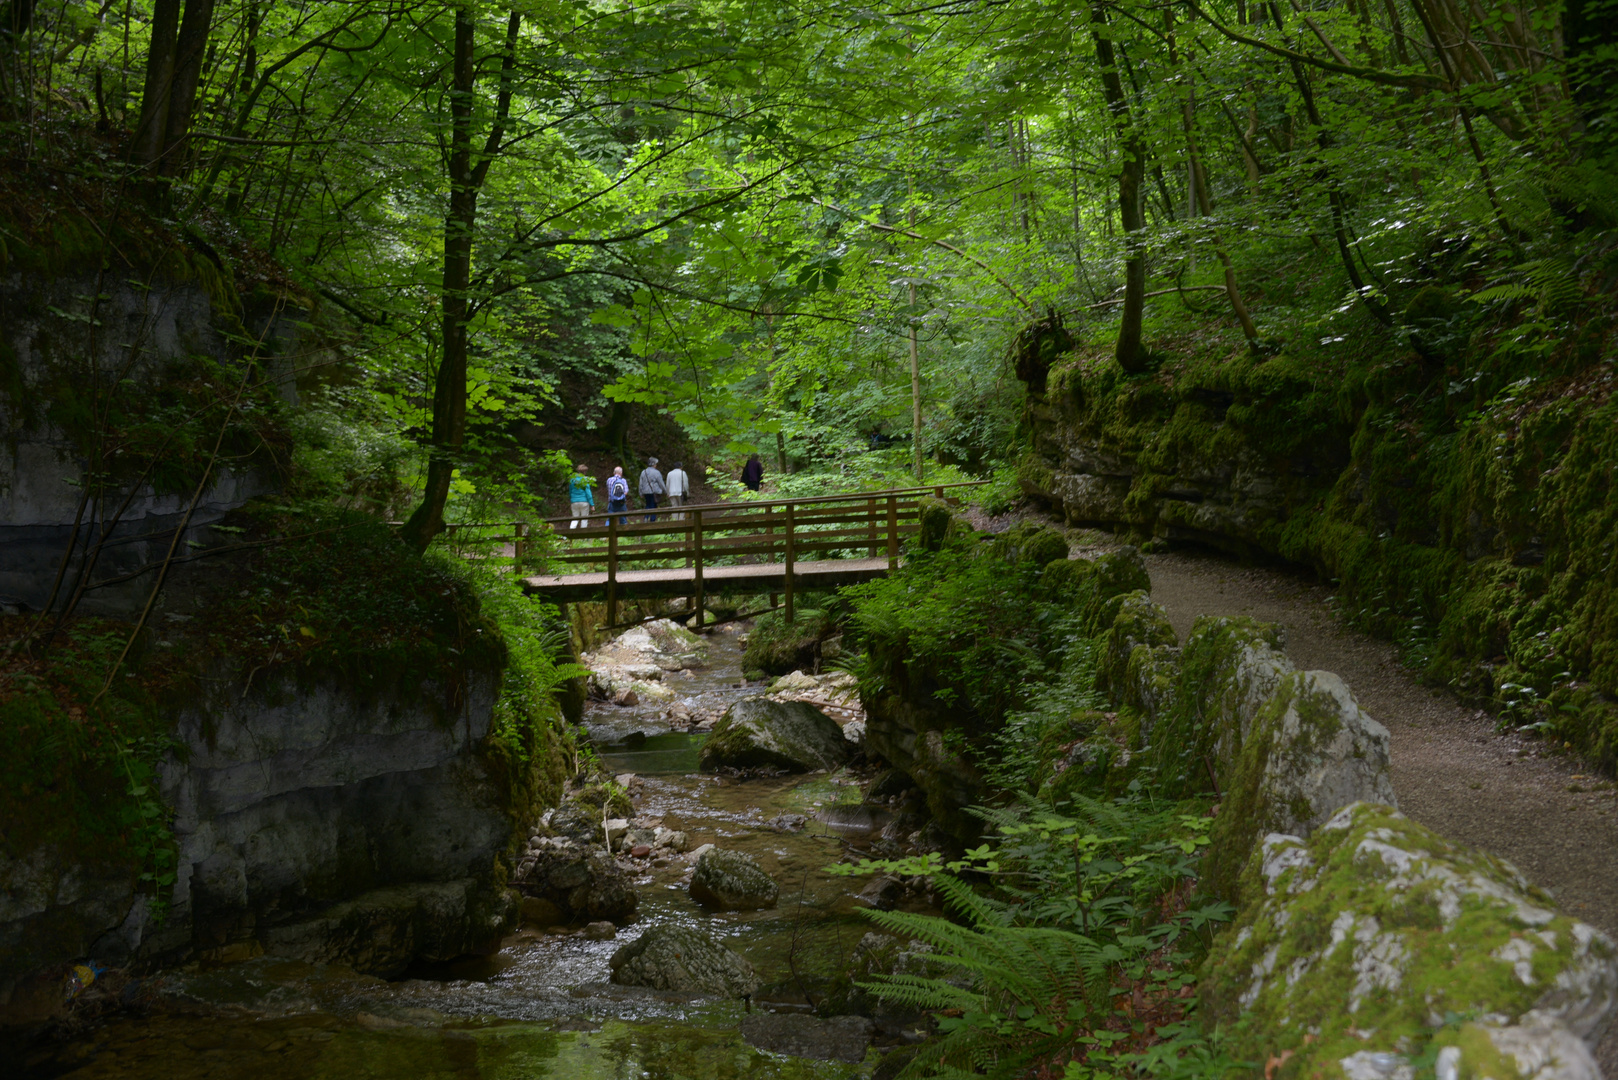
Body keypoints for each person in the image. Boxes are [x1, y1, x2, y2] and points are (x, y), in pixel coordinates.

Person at [566, 464, 595, 528]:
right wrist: (592, 504)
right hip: (584, 501)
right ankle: (583, 536)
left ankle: (571, 534)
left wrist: (572, 500)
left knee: (575, 519)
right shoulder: (585, 480)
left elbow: (570, 491)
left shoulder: (572, 480)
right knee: (584, 519)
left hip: (574, 502)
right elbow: (588, 493)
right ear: (585, 472)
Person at [638, 456, 665, 521]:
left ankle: (646, 517)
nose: (656, 465)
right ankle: (652, 520)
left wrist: (640, 492)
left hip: (646, 492)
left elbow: (640, 484)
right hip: (654, 492)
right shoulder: (657, 472)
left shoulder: (643, 472)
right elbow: (661, 483)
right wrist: (665, 491)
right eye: (655, 464)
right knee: (654, 506)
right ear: (653, 464)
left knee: (648, 505)